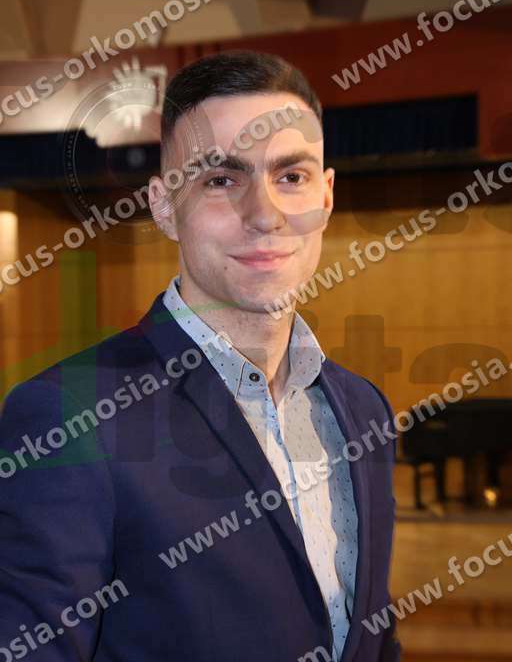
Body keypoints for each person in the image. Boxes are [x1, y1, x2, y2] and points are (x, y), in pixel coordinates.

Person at [0, 50, 400, 661]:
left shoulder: (364, 410)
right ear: (165, 206)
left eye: (291, 177)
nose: (264, 215)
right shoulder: (68, 415)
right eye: (221, 179)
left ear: (325, 195)